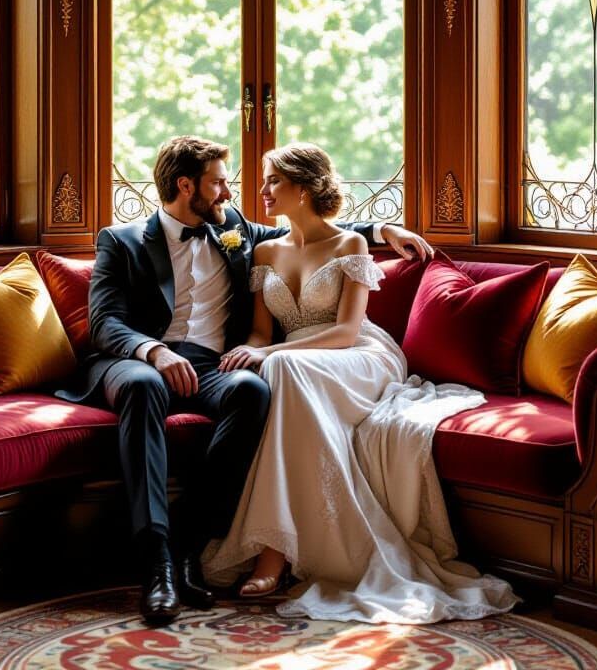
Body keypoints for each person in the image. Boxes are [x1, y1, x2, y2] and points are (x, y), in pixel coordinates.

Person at [57, 135, 432, 624]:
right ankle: (155, 565)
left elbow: (318, 232)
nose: (230, 195)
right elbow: (105, 323)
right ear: (185, 184)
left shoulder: (233, 230)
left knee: (252, 390)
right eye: (218, 184)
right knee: (143, 385)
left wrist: (383, 228)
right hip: (137, 359)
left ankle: (188, 545)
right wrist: (155, 351)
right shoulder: (120, 240)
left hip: (213, 365)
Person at [203, 143, 517, 624]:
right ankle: (279, 543)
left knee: (282, 369)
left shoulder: (350, 245)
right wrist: (252, 351)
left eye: (273, 181)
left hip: (357, 355)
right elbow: (262, 333)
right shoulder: (265, 250)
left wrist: (268, 353)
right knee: (275, 371)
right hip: (297, 360)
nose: (262, 190)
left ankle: (274, 552)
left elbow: (347, 331)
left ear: (303, 189)